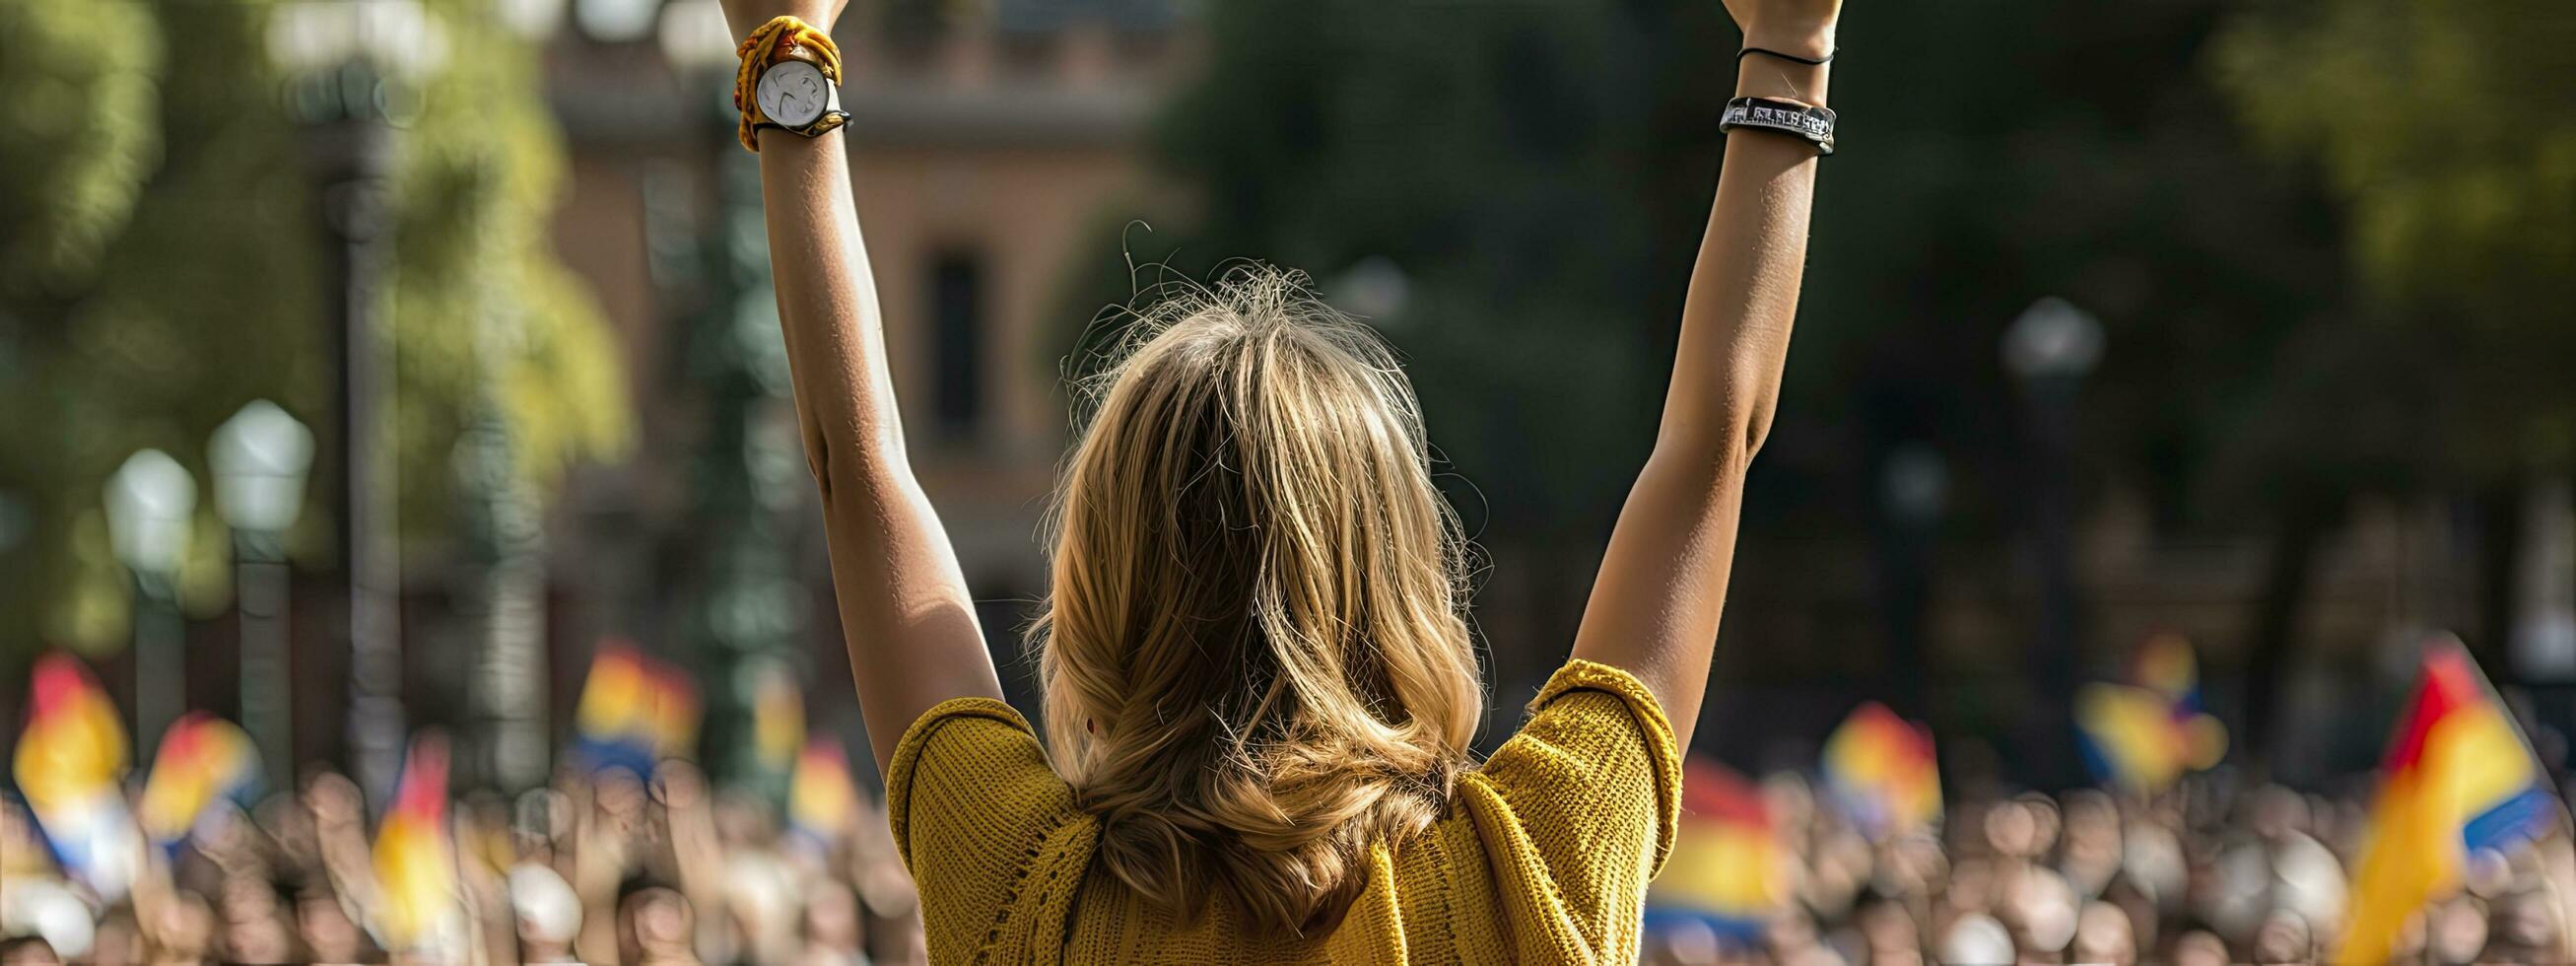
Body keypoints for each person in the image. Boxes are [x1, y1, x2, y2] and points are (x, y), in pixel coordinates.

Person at [715, 0, 1840, 956]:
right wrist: (1791, 44)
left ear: (1104, 575)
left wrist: (789, 54)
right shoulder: (1532, 871)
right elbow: (1711, 442)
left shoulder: (1027, 889)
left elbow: (854, 468)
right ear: (1401, 564)